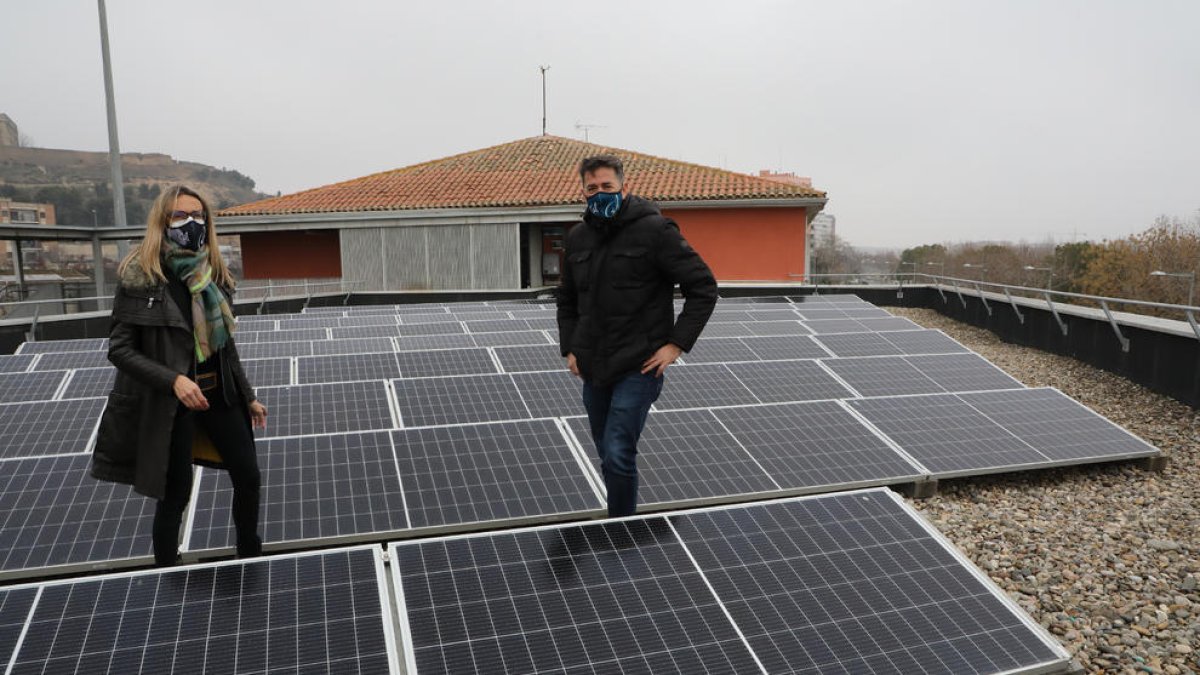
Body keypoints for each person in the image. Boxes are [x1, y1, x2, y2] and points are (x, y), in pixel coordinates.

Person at [91, 185, 267, 566]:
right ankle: (166, 572)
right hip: (171, 404)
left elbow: (224, 344)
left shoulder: (213, 275)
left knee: (249, 478)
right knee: (176, 492)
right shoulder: (141, 277)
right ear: (162, 221)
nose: (191, 223)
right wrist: (173, 380)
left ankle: (251, 557)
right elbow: (119, 350)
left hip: (219, 395)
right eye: (179, 216)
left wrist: (248, 394)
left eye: (198, 216)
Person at [557, 155, 717, 517]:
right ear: (583, 191)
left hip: (639, 363)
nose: (599, 194)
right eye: (592, 188)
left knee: (617, 451)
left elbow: (704, 287)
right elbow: (567, 300)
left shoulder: (656, 231)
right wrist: (569, 348)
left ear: (624, 187)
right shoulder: (578, 238)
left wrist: (675, 345)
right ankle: (620, 513)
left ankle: (621, 529)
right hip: (594, 366)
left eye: (607, 187)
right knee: (606, 451)